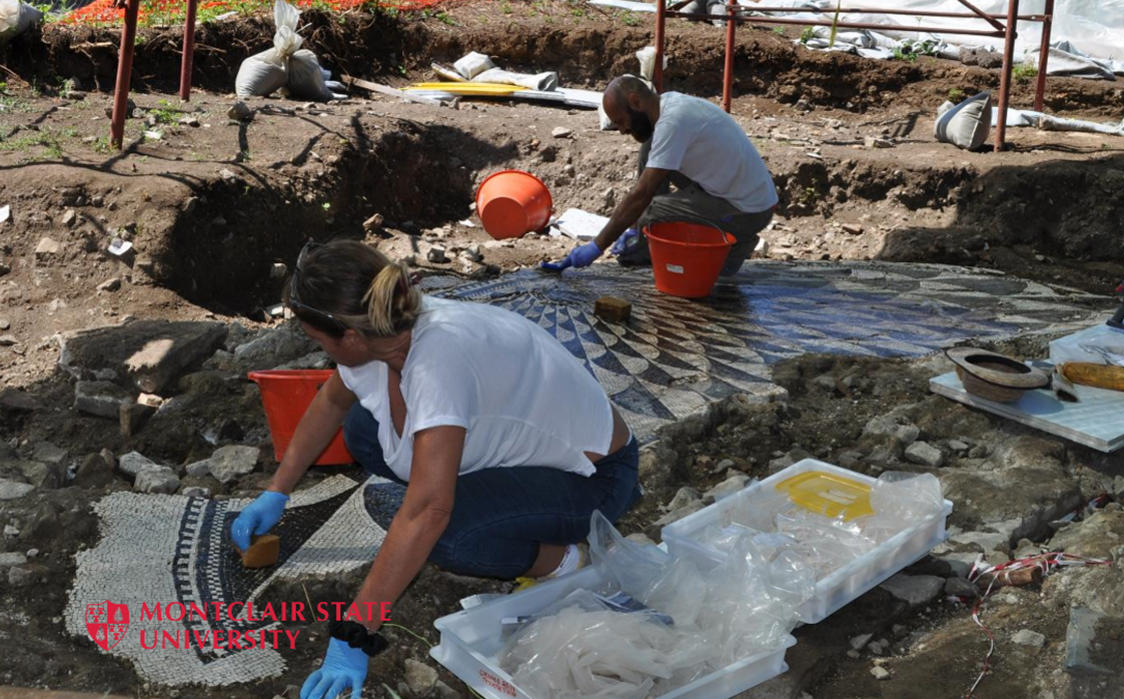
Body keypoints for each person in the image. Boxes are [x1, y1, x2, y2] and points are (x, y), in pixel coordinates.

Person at [229, 240, 640, 699]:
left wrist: (354, 635)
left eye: (316, 339)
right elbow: (330, 402)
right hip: (520, 456)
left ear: (349, 337)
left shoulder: (436, 363)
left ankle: (567, 562)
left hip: (594, 481)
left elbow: (428, 513)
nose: (317, 347)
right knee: (363, 427)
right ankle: (476, 499)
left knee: (444, 533)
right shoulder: (381, 332)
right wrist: (277, 490)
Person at [542, 75, 778, 277]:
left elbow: (642, 194)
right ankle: (645, 237)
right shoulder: (668, 107)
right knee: (649, 148)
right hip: (728, 190)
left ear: (635, 101)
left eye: (621, 121)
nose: (622, 130)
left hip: (748, 210)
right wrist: (634, 228)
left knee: (652, 209)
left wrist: (596, 246)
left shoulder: (673, 122)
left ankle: (735, 244)